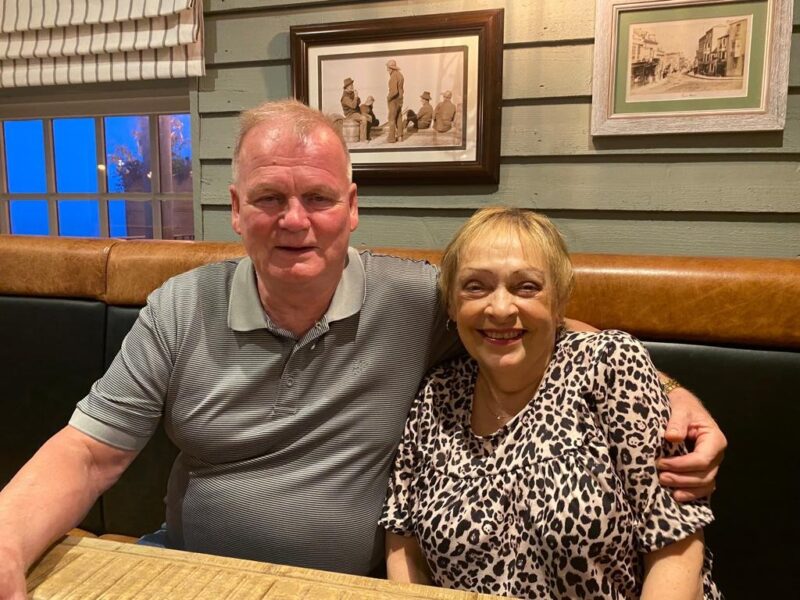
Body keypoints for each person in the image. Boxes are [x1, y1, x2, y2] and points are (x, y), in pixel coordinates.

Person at [0, 100, 725, 599]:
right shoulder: (179, 308)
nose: (294, 222)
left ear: (352, 206)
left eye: (316, 198)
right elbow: (88, 452)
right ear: (236, 210)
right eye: (269, 199)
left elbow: (544, 330)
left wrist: (675, 397)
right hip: (194, 569)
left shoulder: (418, 301)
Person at [380, 207, 722, 599]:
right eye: (475, 286)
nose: (500, 308)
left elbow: (676, 548)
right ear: (452, 306)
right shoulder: (437, 393)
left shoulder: (608, 365)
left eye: (526, 287)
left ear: (559, 302)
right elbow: (403, 543)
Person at [340, 77, 369, 141]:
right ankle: (363, 139)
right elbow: (353, 106)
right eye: (350, 85)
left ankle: (368, 135)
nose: (352, 86)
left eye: (352, 85)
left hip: (356, 112)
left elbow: (359, 101)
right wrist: (355, 97)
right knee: (363, 118)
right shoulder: (345, 97)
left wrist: (356, 97)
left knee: (369, 117)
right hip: (350, 114)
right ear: (346, 87)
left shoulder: (351, 93)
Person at [385, 59, 404, 142]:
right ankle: (400, 136)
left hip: (393, 100)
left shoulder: (393, 76)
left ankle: (391, 138)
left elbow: (394, 91)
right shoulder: (400, 75)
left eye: (388, 68)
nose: (387, 70)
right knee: (399, 118)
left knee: (391, 118)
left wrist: (388, 98)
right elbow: (400, 90)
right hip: (400, 100)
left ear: (391, 68)